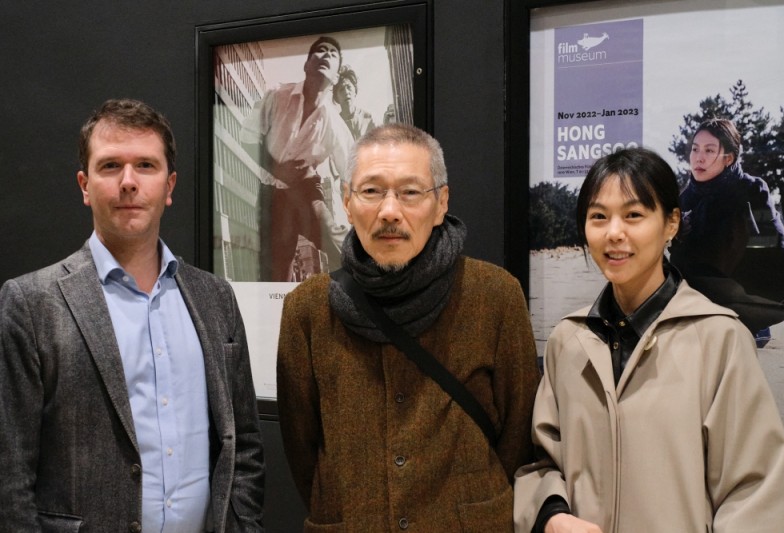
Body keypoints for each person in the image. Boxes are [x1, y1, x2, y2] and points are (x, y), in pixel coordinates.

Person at [0, 99, 265, 532]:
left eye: (145, 165)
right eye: (110, 166)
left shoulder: (215, 298)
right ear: (85, 186)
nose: (128, 182)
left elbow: (245, 445)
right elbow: (10, 474)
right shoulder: (31, 304)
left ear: (169, 185)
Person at [513, 147, 784, 533]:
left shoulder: (721, 340)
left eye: (634, 215)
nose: (614, 233)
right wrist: (551, 515)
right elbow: (543, 463)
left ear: (671, 223)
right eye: (598, 217)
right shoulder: (568, 341)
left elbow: (754, 494)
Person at [277, 123, 539, 530]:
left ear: (441, 203)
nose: (389, 211)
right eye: (371, 191)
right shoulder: (308, 310)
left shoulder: (494, 296)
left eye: (410, 192)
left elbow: (518, 437)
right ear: (347, 201)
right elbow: (302, 448)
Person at [669, 117, 784, 345]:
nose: (699, 157)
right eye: (695, 149)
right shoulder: (685, 199)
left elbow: (779, 259)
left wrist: (754, 314)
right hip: (710, 290)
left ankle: (749, 322)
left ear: (728, 158)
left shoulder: (751, 190)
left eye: (710, 150)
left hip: (767, 286)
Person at [241, 36, 353, 281]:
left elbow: (352, 173)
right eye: (320, 50)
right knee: (275, 275)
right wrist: (276, 168)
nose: (326, 55)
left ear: (336, 77)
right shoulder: (276, 95)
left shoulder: (335, 123)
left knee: (340, 246)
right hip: (271, 194)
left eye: (333, 53)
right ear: (306, 65)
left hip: (306, 191)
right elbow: (246, 138)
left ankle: (353, 294)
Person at [333, 64, 377, 140]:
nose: (346, 92)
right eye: (341, 90)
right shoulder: (334, 123)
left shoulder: (369, 119)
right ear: (336, 97)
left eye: (349, 87)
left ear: (355, 91)